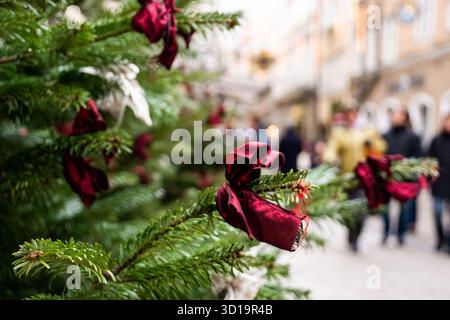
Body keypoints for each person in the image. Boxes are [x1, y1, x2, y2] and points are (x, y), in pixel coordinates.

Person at [323, 105, 386, 252]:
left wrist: (372, 144)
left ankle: (356, 238)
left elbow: (381, 147)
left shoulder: (368, 130)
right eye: (348, 114)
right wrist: (330, 158)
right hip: (346, 178)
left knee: (361, 212)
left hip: (364, 178)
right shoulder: (339, 132)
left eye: (353, 113)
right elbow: (331, 148)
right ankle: (350, 232)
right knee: (347, 212)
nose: (351, 116)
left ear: (357, 114)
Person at [382, 108, 422, 245]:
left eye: (398, 114)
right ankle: (386, 232)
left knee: (404, 209)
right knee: (385, 209)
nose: (396, 117)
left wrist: (414, 176)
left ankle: (400, 234)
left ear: (405, 117)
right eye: (394, 114)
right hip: (388, 177)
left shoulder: (412, 137)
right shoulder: (385, 136)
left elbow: (418, 158)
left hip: (406, 179)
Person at [428, 114, 450, 252]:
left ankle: (448, 241)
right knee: (437, 211)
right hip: (439, 183)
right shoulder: (436, 140)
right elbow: (429, 159)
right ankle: (440, 238)